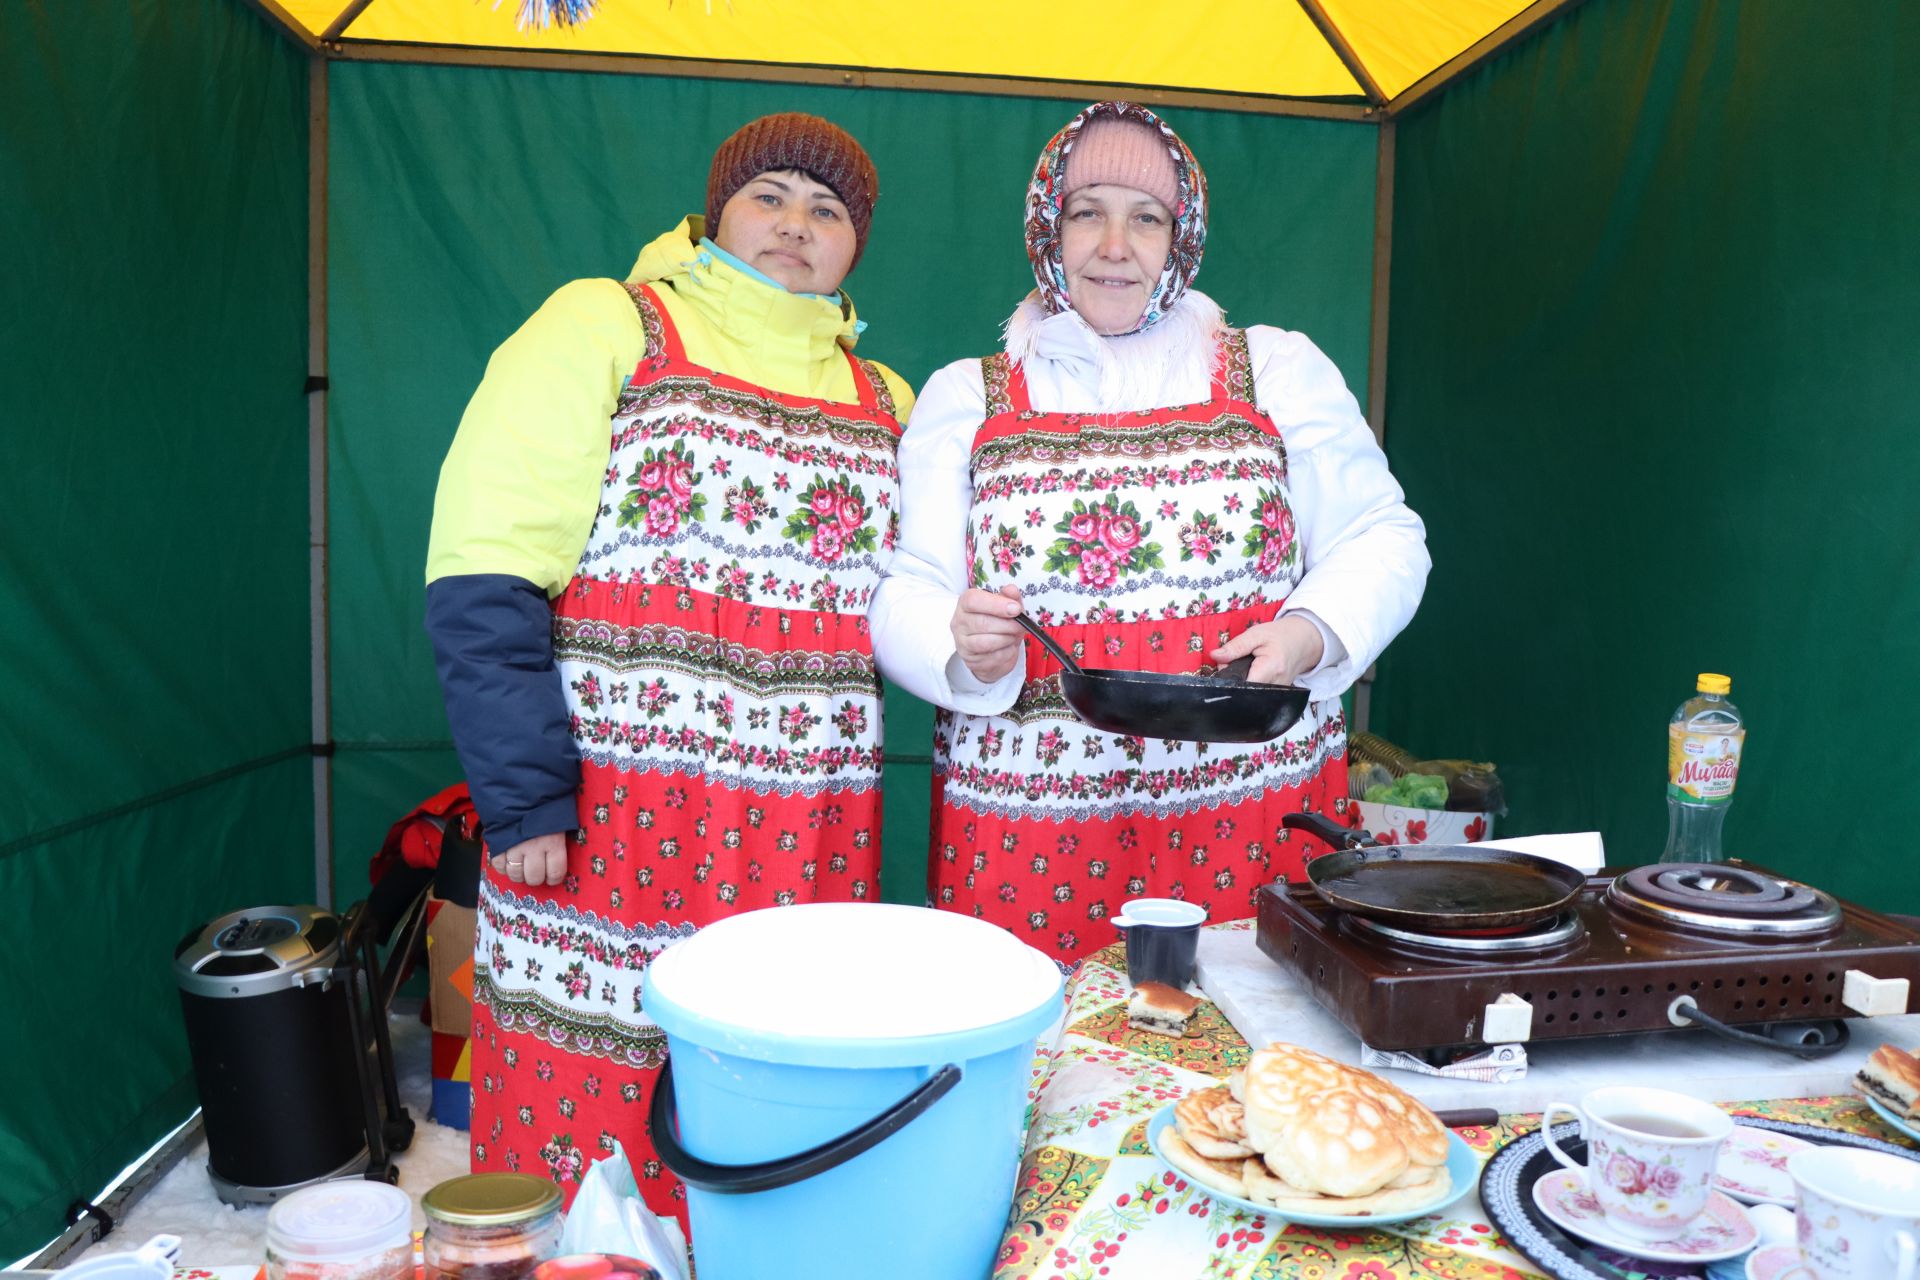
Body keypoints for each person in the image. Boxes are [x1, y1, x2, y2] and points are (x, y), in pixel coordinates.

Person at [424, 113, 911, 1217]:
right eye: (770, 195)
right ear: (716, 211)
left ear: (855, 247)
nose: (796, 224)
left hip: (807, 836)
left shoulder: (890, 396)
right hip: (612, 819)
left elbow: (924, 608)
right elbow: (484, 567)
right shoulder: (608, 323)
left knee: (777, 1093)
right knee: (596, 1094)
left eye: (827, 209)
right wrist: (524, 797)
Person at [872, 101, 1428, 969]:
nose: (1114, 245)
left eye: (1146, 218)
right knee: (1047, 1076)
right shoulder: (970, 394)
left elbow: (1383, 535)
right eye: (1086, 212)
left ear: (1184, 237)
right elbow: (908, 583)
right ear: (1048, 232)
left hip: (1246, 806)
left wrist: (1309, 632)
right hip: (1032, 827)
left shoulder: (1271, 367)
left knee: (1244, 1076)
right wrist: (959, 645)